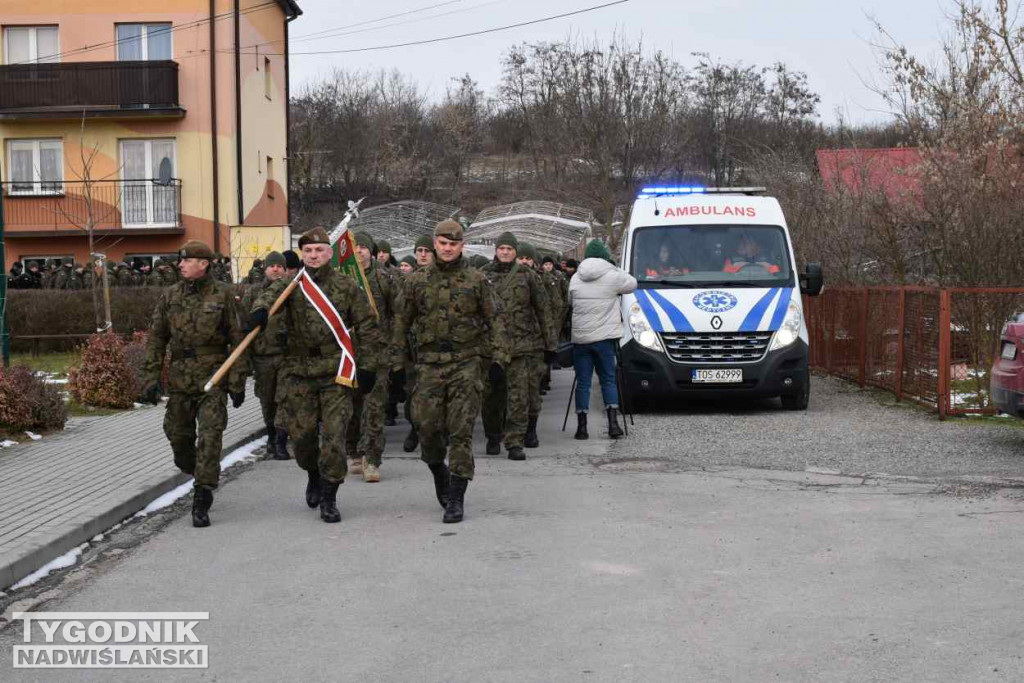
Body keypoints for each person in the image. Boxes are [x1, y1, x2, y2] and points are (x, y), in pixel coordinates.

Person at [250, 227, 382, 523]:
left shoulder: (346, 286)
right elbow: (267, 298)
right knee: (304, 438)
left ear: (329, 253)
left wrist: (369, 365)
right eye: (308, 251)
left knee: (334, 438)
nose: (313, 255)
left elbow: (368, 326)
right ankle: (312, 473)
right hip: (298, 372)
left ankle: (329, 495)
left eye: (319, 250)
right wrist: (259, 311)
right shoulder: (290, 284)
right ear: (303, 255)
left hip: (335, 371)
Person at [392, 219, 508, 523]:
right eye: (443, 243)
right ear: (434, 244)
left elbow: (495, 320)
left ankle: (456, 496)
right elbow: (400, 324)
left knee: (461, 430)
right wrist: (395, 365)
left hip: (466, 363)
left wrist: (498, 360)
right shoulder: (416, 281)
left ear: (462, 246)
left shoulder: (476, 280)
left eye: (453, 244)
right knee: (427, 428)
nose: (447, 249)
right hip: (429, 364)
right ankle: (437, 470)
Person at [142, 240, 248, 528]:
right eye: (181, 260)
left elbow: (238, 340)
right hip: (179, 379)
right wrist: (151, 377)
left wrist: (237, 381)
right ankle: (197, 470)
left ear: (204, 264)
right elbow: (156, 338)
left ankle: (202, 495)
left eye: (187, 260)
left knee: (210, 437)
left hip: (213, 377)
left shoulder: (224, 295)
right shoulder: (170, 295)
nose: (181, 265)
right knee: (177, 435)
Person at [480, 233, 555, 461]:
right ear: (496, 250)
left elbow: (543, 310)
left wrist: (550, 344)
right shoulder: (482, 275)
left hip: (521, 346)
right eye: (501, 248)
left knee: (518, 396)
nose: (505, 252)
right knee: (491, 396)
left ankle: (514, 441)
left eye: (509, 249)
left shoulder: (527, 275)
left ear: (515, 251)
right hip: (491, 347)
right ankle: (493, 436)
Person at [568, 239, 637, 440]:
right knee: (608, 380)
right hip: (605, 339)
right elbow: (632, 283)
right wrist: (615, 267)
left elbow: (570, 301)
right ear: (604, 256)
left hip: (581, 339)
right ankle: (613, 425)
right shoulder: (613, 276)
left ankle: (582, 428)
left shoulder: (575, 278)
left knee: (583, 383)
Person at [344, 231, 398, 482]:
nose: (359, 251)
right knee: (351, 407)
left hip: (378, 354)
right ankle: (354, 452)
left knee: (374, 408)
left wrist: (396, 351)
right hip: (349, 354)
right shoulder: (343, 278)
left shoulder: (385, 277)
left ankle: (372, 459)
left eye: (363, 247)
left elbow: (399, 313)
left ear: (371, 251)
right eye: (355, 247)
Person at [243, 251, 290, 460]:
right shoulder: (253, 293)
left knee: (285, 399)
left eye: (280, 266)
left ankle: (280, 441)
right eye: (272, 266)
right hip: (262, 357)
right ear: (265, 268)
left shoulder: (291, 291)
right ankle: (271, 436)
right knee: (268, 401)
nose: (276, 269)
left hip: (286, 356)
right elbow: (243, 326)